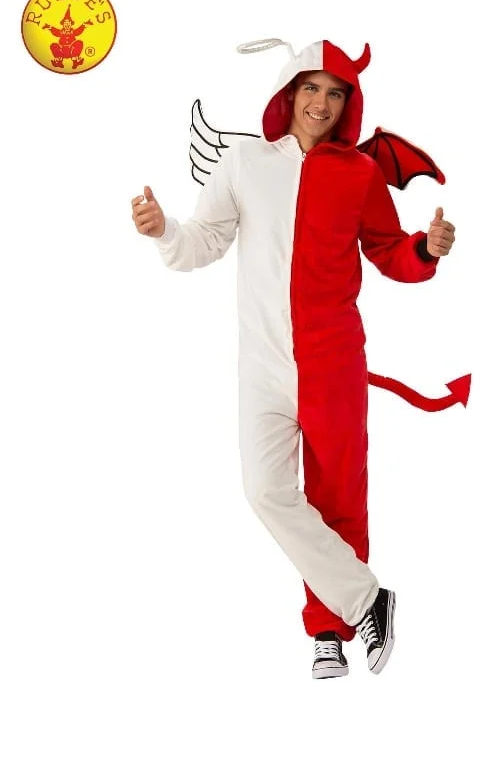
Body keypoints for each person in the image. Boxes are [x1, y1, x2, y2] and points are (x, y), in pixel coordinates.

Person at [131, 39, 456, 679]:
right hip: (262, 363)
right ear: (289, 91)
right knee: (265, 490)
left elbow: (390, 252)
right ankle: (366, 599)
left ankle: (329, 633)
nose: (321, 104)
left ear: (348, 105)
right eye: (312, 88)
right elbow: (205, 241)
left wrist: (426, 248)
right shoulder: (245, 161)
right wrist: (164, 229)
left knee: (338, 496)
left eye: (335, 94)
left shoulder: (360, 173)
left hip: (332, 360)